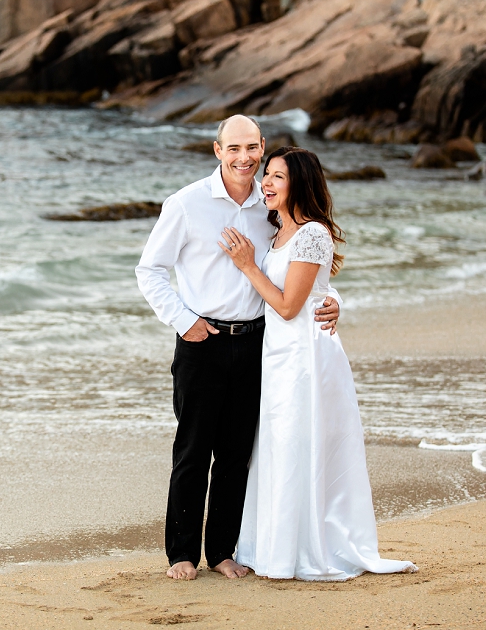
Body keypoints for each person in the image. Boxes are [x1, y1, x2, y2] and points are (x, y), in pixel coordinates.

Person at [135, 116, 340, 581]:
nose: (245, 158)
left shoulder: (271, 206)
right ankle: (181, 554)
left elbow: (305, 268)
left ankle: (223, 551)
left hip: (258, 345)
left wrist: (332, 302)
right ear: (217, 151)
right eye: (234, 149)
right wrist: (185, 323)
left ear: (262, 147)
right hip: (201, 343)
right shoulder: (186, 204)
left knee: (236, 455)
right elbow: (149, 271)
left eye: (253, 148)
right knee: (192, 453)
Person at [220, 146, 416, 580]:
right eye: (266, 175)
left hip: (306, 355)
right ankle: (275, 547)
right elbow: (315, 289)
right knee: (279, 445)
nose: (266, 183)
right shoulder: (278, 231)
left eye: (277, 177)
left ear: (300, 184)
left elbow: (290, 306)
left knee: (297, 443)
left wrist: (248, 266)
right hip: (278, 354)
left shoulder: (312, 233)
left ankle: (302, 550)